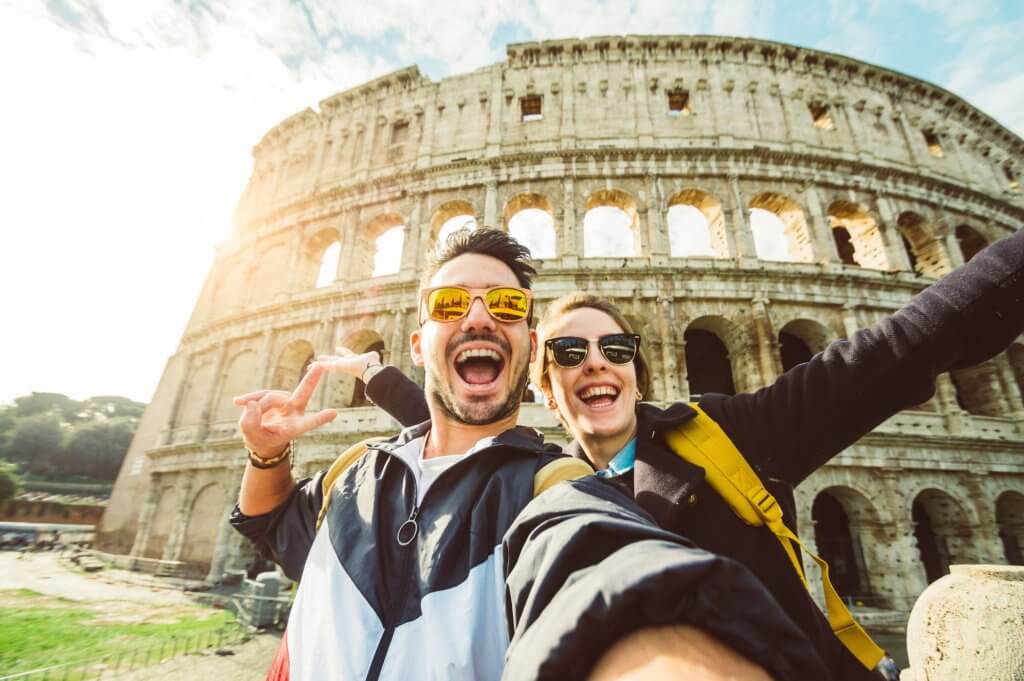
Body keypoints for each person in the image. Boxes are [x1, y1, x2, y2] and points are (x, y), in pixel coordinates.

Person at [324, 227, 1024, 681]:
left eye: (617, 348)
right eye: (571, 351)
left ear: (636, 367)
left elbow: (900, 350)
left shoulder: (729, 434)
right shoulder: (532, 478)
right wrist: (374, 376)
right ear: (543, 375)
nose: (597, 363)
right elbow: (446, 415)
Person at [230, 228, 826, 681]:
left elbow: (610, 578)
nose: (480, 317)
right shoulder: (354, 469)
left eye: (507, 307)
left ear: (530, 344)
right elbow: (270, 524)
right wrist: (266, 455)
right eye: (450, 305)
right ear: (417, 344)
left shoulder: (553, 491)